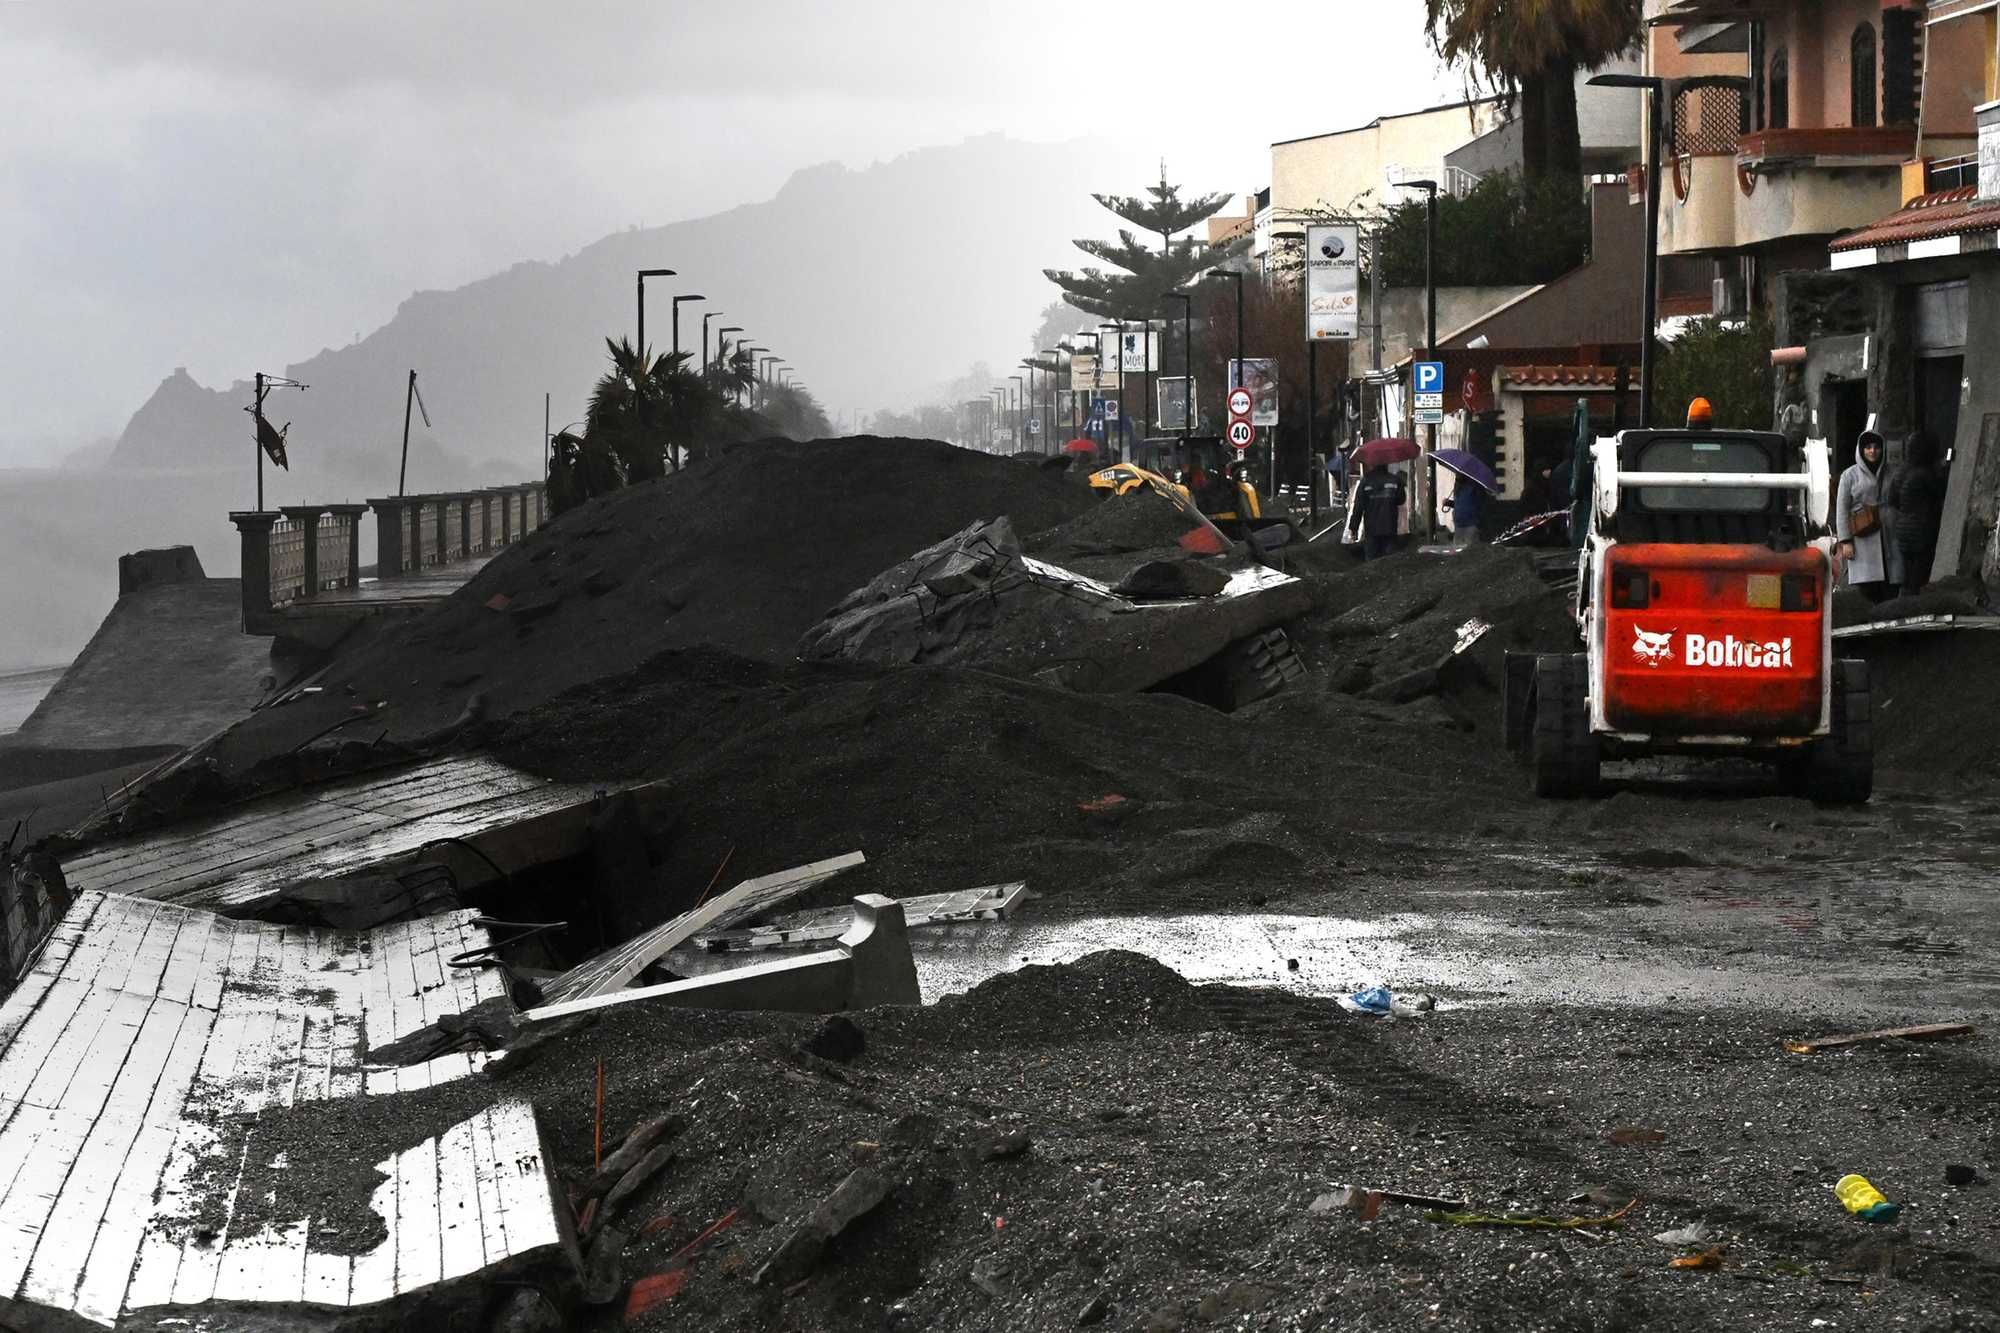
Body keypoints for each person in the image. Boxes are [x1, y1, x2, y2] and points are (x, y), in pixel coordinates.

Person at [1835, 430, 1897, 602]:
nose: (1872, 451)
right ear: (1861, 450)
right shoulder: (1849, 475)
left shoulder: (1891, 472)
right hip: (1862, 535)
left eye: (1876, 447)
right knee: (1867, 586)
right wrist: (1845, 541)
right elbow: (1841, 509)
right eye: (1868, 447)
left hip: (1887, 534)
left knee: (1891, 581)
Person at [1890, 428, 1947, 596]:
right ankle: (1914, 609)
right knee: (1920, 576)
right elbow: (1941, 493)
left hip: (1903, 530)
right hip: (1923, 530)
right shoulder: (1925, 474)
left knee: (1908, 574)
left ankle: (1904, 605)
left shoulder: (1901, 471)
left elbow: (1891, 499)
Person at [1346, 461, 1407, 560]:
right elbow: (1401, 500)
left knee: (1371, 561)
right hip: (1390, 526)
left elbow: (1358, 507)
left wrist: (1353, 528)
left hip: (1372, 528)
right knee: (1390, 560)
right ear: (1386, 464)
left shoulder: (1365, 481)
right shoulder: (1395, 480)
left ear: (1372, 464)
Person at [1450, 473, 1485, 547]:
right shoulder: (1457, 486)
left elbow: (1478, 504)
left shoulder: (1474, 486)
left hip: (1470, 524)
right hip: (1459, 524)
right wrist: (1448, 503)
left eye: (1458, 474)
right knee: (1458, 550)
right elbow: (1459, 504)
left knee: (1469, 550)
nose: (1457, 476)